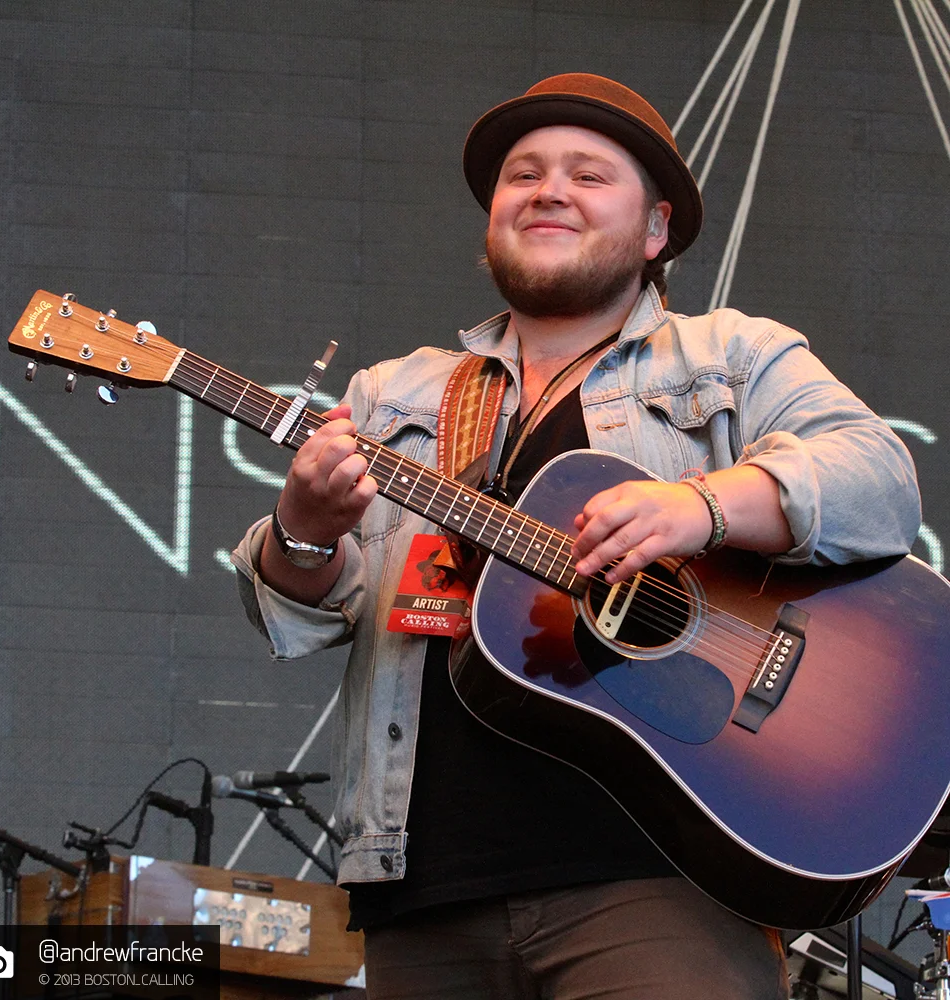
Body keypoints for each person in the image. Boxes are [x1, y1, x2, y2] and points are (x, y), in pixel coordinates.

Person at [232, 74, 921, 998]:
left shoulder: (730, 354)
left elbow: (879, 477)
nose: (548, 190)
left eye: (588, 175)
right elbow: (315, 609)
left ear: (656, 229)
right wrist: (304, 533)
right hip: (423, 884)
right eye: (524, 175)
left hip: (660, 879)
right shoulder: (393, 395)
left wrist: (703, 506)